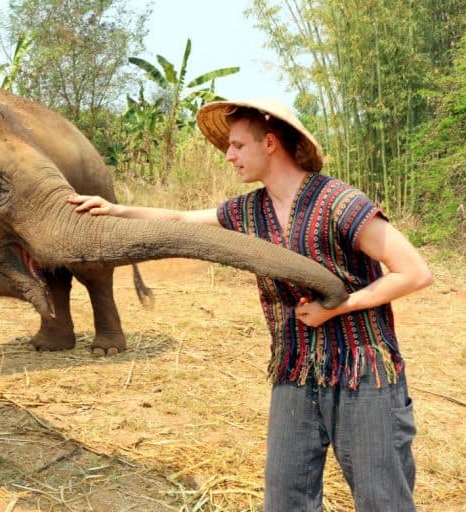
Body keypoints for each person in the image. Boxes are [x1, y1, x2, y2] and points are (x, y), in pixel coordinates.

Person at [68, 99, 433, 511]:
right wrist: (116, 211)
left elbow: (415, 272)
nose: (229, 156)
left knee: (382, 499)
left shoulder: (339, 202)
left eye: (238, 146)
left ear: (271, 143)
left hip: (361, 372)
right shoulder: (249, 211)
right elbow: (182, 221)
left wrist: (338, 307)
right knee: (285, 499)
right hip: (295, 370)